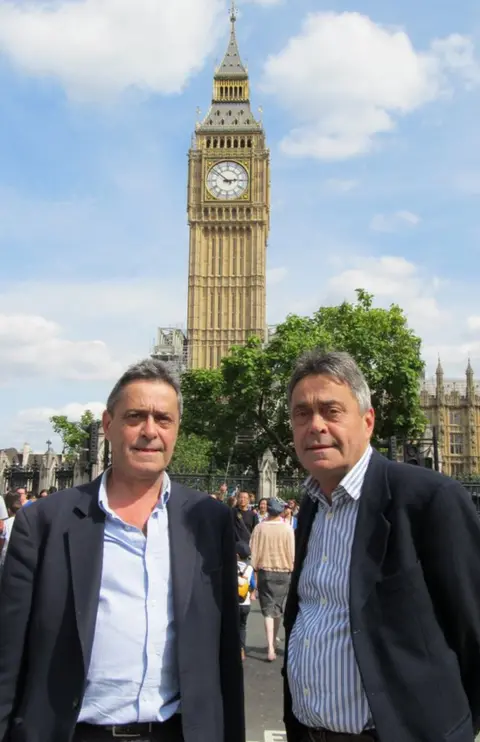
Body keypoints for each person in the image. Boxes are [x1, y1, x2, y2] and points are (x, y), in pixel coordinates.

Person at [0, 358, 245, 742]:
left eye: (163, 419)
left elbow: (225, 655)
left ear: (177, 429)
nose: (150, 431)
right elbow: (7, 657)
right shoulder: (45, 522)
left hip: (178, 732)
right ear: (108, 424)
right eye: (135, 417)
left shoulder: (208, 520)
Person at [283, 349, 480, 742]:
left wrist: (449, 730)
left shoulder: (429, 498)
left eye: (331, 411)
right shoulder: (312, 504)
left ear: (368, 421)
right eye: (302, 413)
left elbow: (474, 628)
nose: (315, 425)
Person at [251, 498, 294, 662]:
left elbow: (253, 550)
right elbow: (292, 551)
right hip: (283, 571)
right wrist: (291, 565)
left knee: (268, 610)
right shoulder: (287, 528)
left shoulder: (260, 528)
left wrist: (254, 567)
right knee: (277, 608)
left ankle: (270, 646)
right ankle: (273, 643)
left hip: (265, 571)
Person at [237, 541, 256, 661]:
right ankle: (241, 650)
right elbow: (253, 585)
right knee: (242, 626)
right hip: (245, 603)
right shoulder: (250, 568)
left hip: (234, 603)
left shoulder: (231, 566)